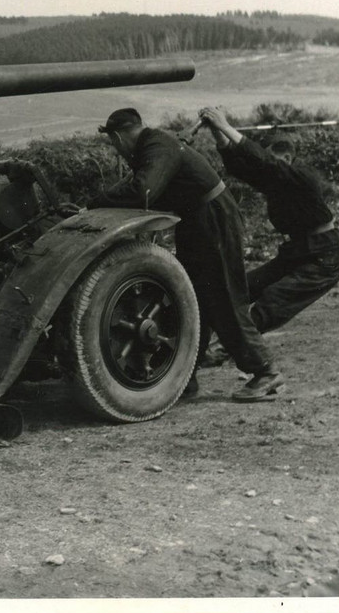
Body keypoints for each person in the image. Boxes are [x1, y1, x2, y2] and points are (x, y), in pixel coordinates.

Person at [87, 108, 280, 402]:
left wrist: (98, 201)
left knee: (225, 296)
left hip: (213, 218)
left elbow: (144, 191)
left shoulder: (157, 145)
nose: (115, 148)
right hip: (195, 220)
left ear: (117, 136)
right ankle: (186, 377)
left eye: (113, 142)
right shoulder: (152, 146)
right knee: (193, 300)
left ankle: (265, 372)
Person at [198, 106, 339, 339]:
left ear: (288, 158)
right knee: (243, 288)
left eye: (275, 158)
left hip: (323, 258)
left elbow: (265, 162)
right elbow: (241, 167)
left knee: (273, 301)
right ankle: (218, 341)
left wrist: (225, 125)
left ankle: (230, 348)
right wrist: (217, 133)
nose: (265, 166)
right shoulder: (274, 180)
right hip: (296, 252)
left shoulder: (301, 176)